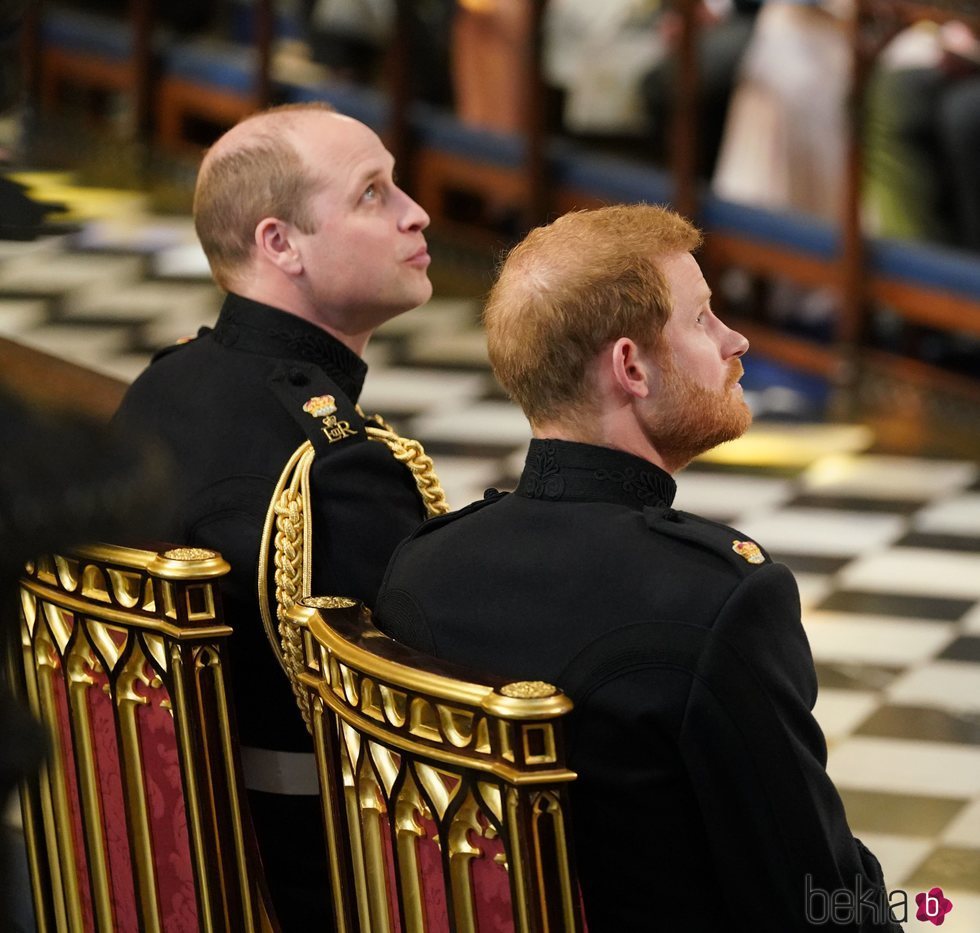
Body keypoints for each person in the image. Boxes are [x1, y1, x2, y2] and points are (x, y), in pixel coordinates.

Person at [375, 205, 901, 932]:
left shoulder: (420, 569)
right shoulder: (719, 597)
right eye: (704, 318)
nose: (735, 340)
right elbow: (813, 900)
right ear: (631, 366)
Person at [114, 102, 439, 930]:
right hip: (316, 884)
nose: (417, 212)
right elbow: (423, 732)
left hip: (158, 870)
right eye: (374, 193)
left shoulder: (162, 389)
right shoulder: (332, 468)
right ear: (278, 244)